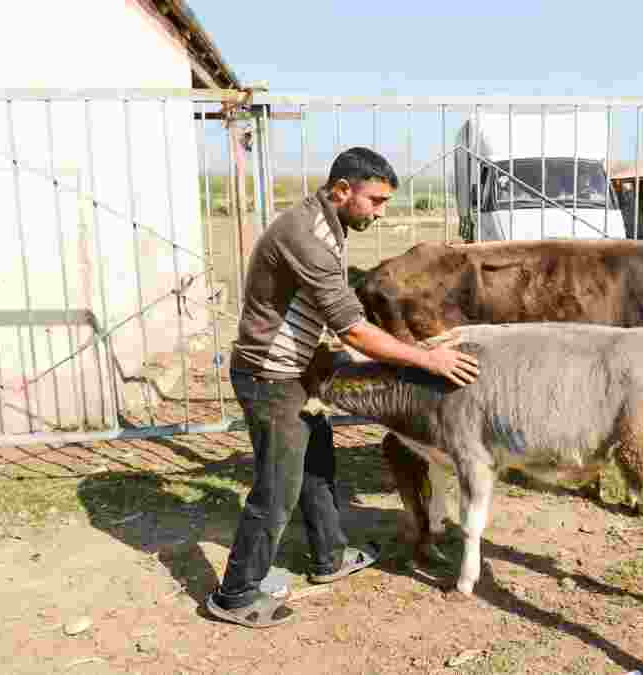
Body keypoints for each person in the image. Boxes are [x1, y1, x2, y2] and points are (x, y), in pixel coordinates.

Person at [206, 147, 480, 629]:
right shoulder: (306, 235)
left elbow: (336, 306)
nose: (380, 211)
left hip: (298, 366)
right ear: (342, 190)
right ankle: (235, 595)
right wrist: (427, 358)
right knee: (277, 490)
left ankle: (329, 556)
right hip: (271, 375)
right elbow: (352, 327)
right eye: (375, 201)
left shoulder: (328, 226)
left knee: (317, 465)